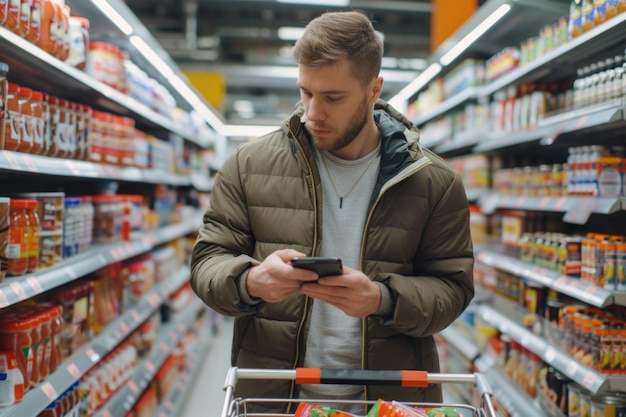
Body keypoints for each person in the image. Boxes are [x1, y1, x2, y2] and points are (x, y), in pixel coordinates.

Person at [190, 9, 474, 415]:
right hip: (276, 399)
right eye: (306, 92)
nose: (312, 112)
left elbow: (454, 288)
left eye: (333, 97)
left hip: (387, 403)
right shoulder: (247, 165)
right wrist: (251, 281)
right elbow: (206, 264)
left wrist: (383, 299)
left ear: (374, 90)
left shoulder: (434, 182)